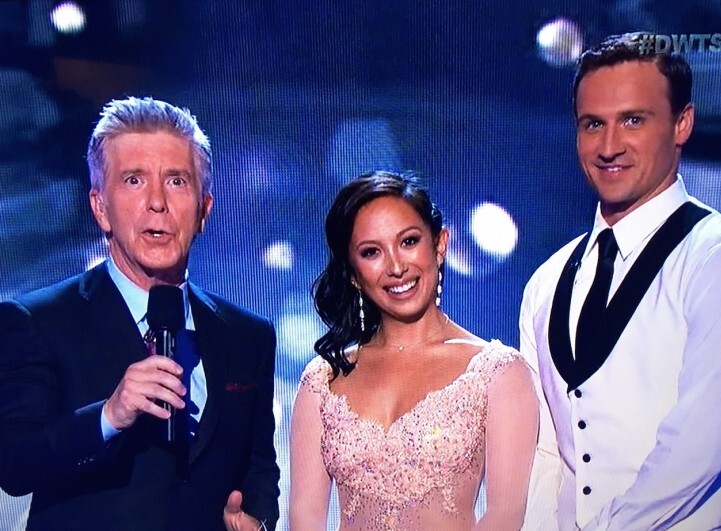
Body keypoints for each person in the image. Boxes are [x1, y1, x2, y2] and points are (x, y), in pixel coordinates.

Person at [0, 97, 280, 530]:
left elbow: (259, 468)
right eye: (134, 180)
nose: (157, 202)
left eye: (177, 182)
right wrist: (109, 416)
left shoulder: (247, 335)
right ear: (100, 208)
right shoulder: (38, 321)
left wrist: (256, 520)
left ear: (204, 209)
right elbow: (16, 464)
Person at [520, 32, 721, 530]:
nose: (608, 146)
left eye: (632, 121)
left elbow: (697, 452)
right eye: (592, 125)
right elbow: (543, 455)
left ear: (681, 123)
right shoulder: (545, 282)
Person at [289, 171, 539, 530]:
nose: (395, 266)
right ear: (353, 274)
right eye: (372, 252)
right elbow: (305, 519)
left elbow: (505, 516)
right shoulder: (322, 380)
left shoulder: (497, 373)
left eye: (408, 242)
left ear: (440, 246)